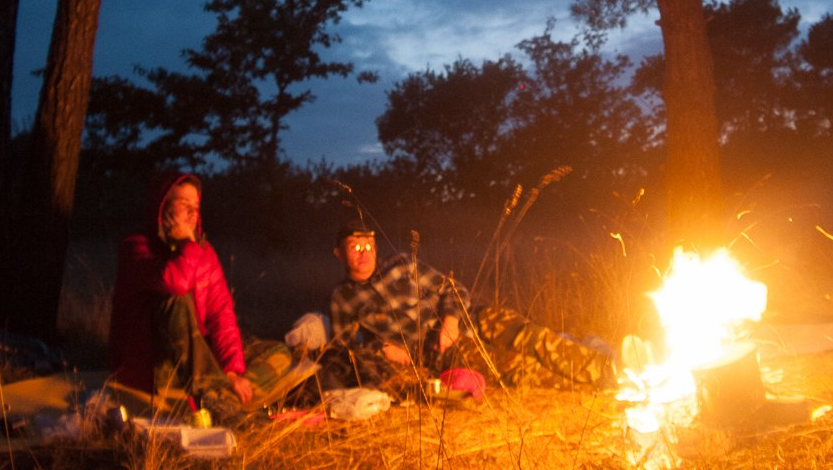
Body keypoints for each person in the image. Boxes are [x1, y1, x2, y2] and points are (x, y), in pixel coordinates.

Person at [325, 226, 616, 392]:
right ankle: (598, 379)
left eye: (369, 245)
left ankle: (610, 370)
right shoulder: (344, 297)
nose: (364, 254)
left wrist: (450, 321)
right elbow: (344, 349)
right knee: (518, 372)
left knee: (531, 336)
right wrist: (381, 349)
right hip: (440, 351)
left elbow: (452, 288)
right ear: (339, 254)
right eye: (355, 247)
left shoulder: (401, 265)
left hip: (466, 320)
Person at [108, 171, 255, 421]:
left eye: (195, 207)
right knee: (176, 300)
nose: (192, 213)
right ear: (163, 208)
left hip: (200, 357)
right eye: (184, 205)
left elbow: (221, 314)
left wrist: (232, 371)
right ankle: (211, 393)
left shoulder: (204, 253)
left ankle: (226, 390)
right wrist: (187, 244)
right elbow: (175, 282)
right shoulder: (137, 248)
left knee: (277, 353)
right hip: (155, 365)